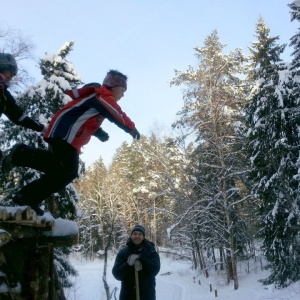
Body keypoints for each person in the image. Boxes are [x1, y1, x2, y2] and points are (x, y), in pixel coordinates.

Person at [1, 69, 140, 215]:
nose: (123, 94)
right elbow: (116, 113)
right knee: (67, 169)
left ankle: (26, 195)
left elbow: (84, 118)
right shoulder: (101, 95)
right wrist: (131, 128)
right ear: (112, 85)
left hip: (67, 135)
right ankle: (22, 160)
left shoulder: (98, 99)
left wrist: (99, 133)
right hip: (64, 132)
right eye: (122, 90)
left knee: (64, 171)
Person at [0, 53, 46, 148]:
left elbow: (18, 116)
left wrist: (42, 128)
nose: (11, 76)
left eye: (13, 74)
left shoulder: (4, 95)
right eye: (10, 71)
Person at [112, 224, 160, 300]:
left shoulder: (151, 251)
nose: (137, 236)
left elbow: (155, 270)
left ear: (143, 237)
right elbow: (116, 274)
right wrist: (127, 264)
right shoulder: (123, 252)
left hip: (147, 295)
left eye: (140, 234)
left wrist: (142, 259)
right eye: (135, 234)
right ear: (131, 236)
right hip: (127, 295)